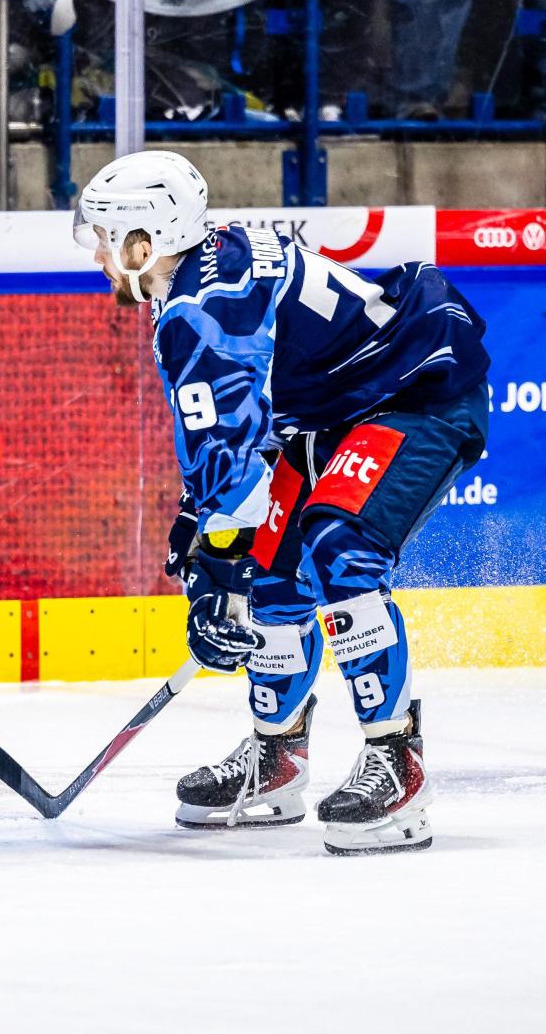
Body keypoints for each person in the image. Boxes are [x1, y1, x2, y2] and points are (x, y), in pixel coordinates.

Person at [73, 149, 491, 854]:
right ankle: (278, 759)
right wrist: (207, 527)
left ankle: (398, 762)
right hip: (346, 409)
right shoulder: (202, 273)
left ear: (146, 241)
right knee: (269, 569)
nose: (99, 258)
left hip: (418, 394)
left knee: (339, 545)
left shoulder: (198, 309)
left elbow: (230, 452)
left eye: (108, 240)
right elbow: (238, 432)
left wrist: (217, 571)